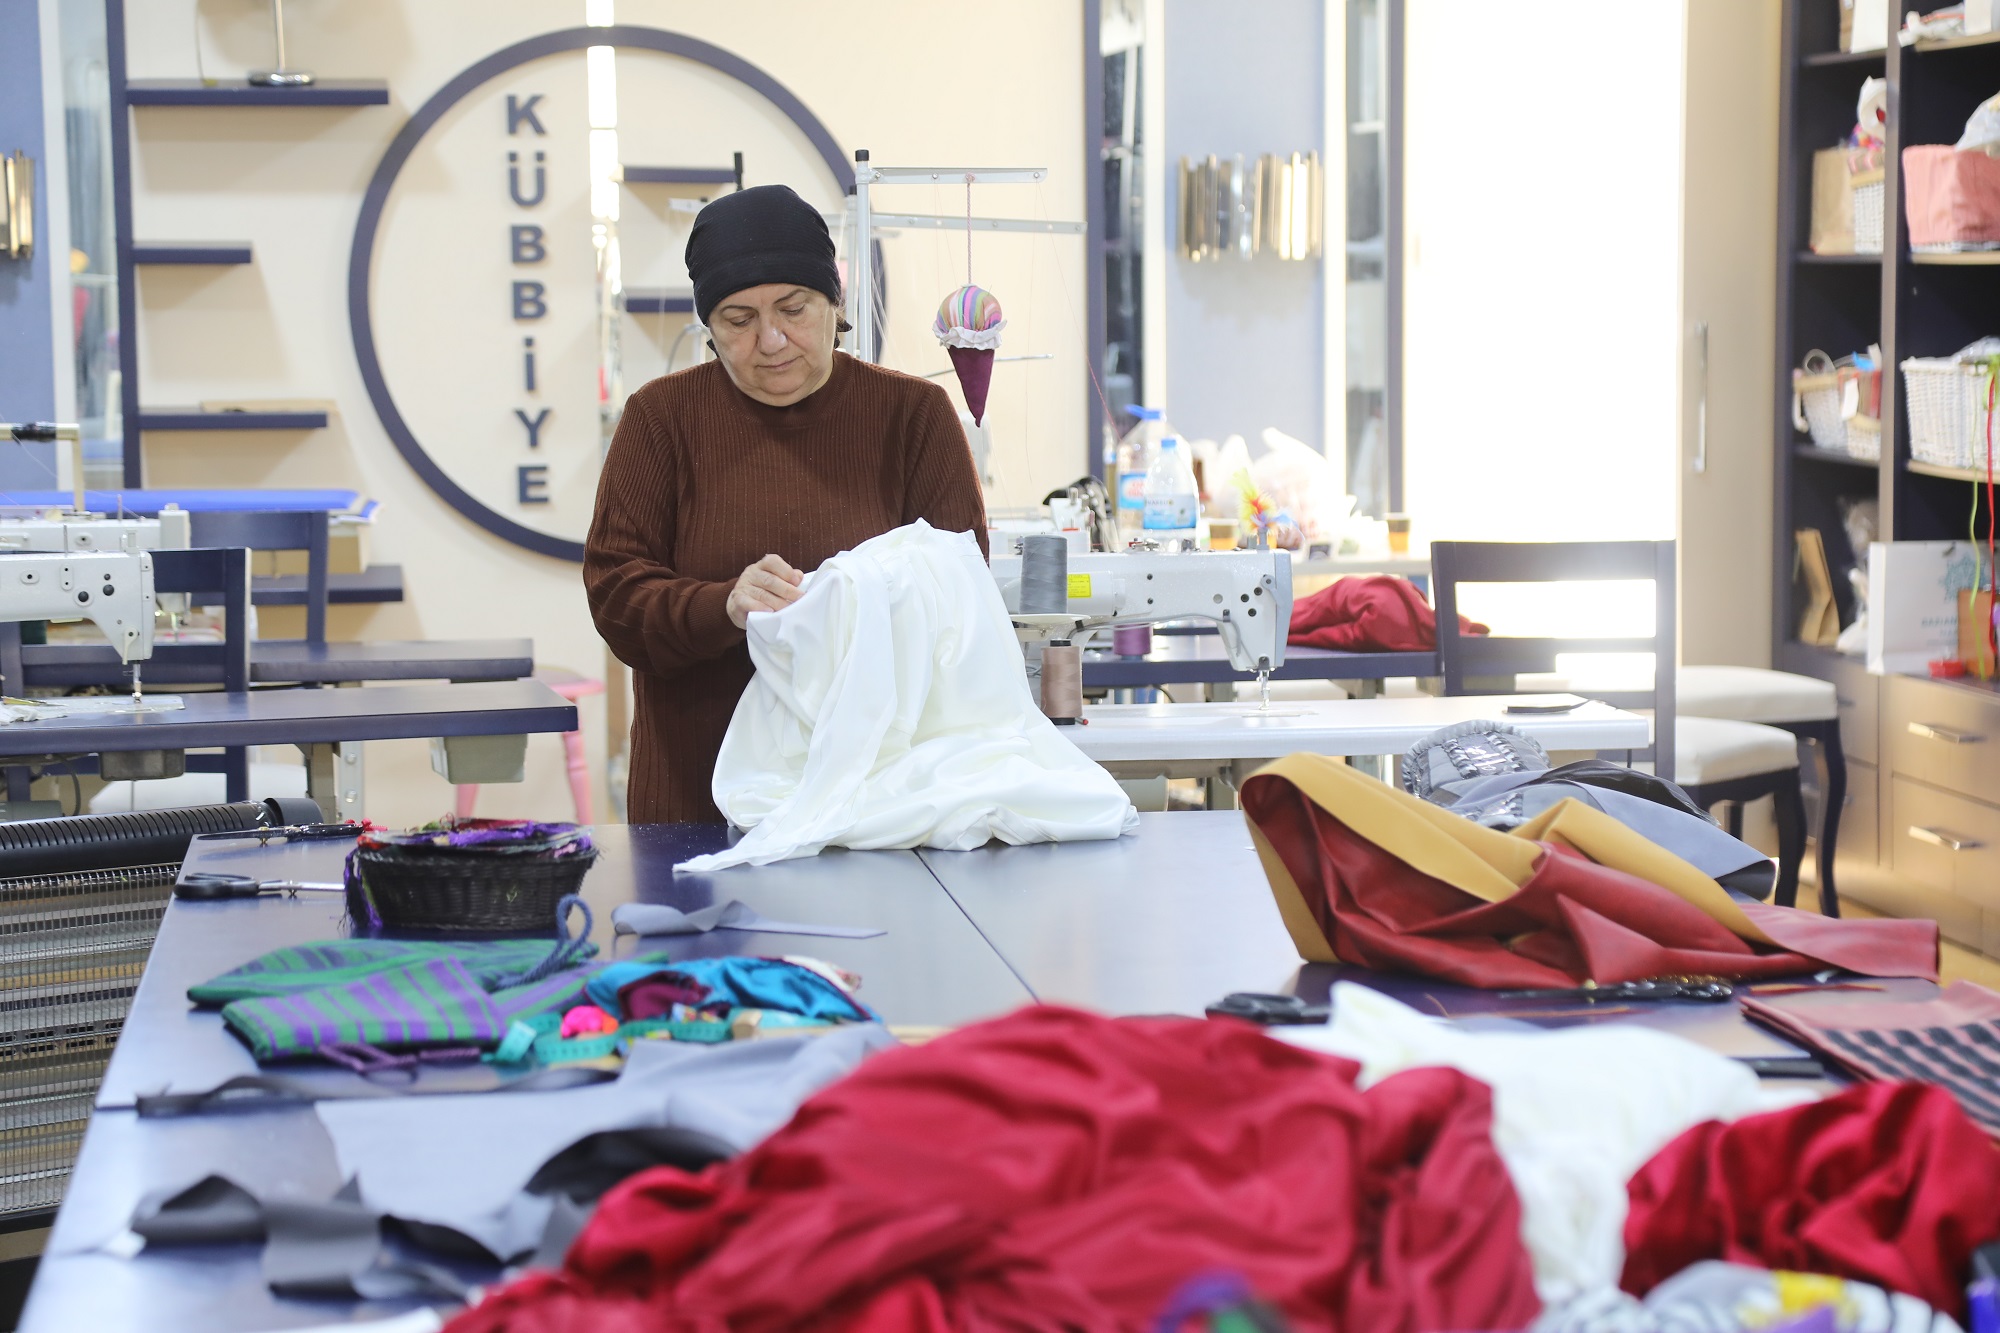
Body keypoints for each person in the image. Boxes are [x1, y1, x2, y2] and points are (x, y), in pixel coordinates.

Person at [584, 184, 989, 824]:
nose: (771, 340)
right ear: (709, 328)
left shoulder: (913, 417)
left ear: (835, 303)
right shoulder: (661, 420)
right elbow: (616, 599)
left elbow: (962, 597)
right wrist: (723, 605)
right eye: (738, 320)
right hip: (698, 804)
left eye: (794, 309)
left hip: (877, 804)